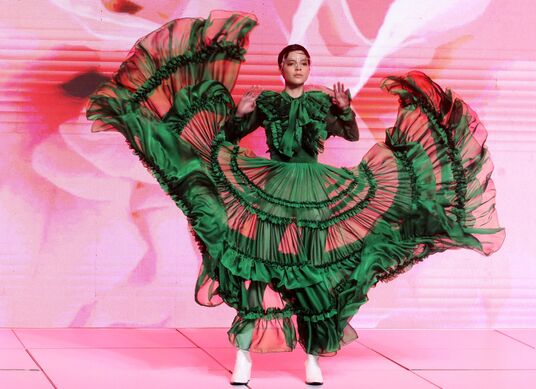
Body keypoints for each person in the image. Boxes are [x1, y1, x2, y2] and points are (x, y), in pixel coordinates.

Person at [86, 11, 504, 386]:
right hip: (269, 184)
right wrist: (241, 112)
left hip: (318, 188)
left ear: (309, 68)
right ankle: (244, 356)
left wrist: (343, 109)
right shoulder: (267, 100)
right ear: (281, 67)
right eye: (292, 62)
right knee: (258, 267)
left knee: (315, 273)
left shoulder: (322, 100)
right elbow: (229, 137)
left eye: (304, 63)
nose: (299, 68)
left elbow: (351, 135)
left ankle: (312, 359)